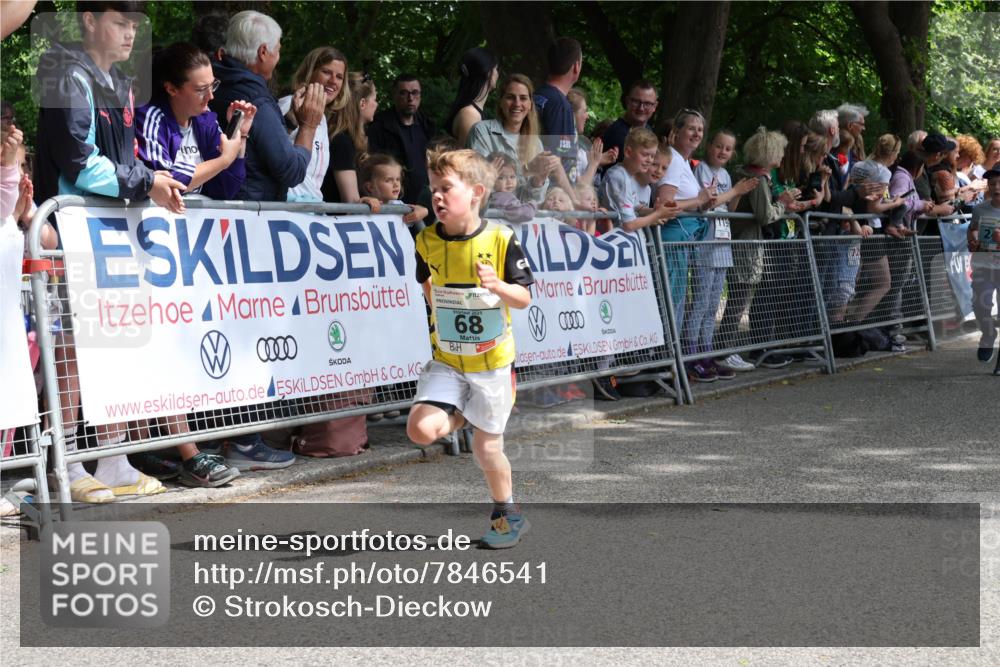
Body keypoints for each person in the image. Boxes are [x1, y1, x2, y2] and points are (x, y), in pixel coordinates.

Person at [31, 1, 195, 502]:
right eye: (120, 23)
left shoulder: (121, 82)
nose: (130, 34)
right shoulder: (64, 73)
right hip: (71, 229)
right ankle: (65, 461)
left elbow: (126, 159)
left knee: (117, 341)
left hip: (112, 229)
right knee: (70, 351)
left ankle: (114, 459)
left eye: (134, 26)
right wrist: (149, 182)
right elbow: (80, 163)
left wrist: (152, 179)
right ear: (89, 21)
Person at [406, 148, 535, 549]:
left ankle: (508, 512)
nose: (437, 198)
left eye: (447, 188)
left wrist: (497, 287)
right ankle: (462, 412)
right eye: (433, 190)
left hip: (492, 364)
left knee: (486, 447)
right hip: (447, 359)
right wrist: (438, 307)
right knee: (421, 430)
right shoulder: (426, 240)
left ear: (476, 192)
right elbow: (426, 283)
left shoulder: (500, 238)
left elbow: (524, 298)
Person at [209, 9, 326, 201]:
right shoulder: (256, 101)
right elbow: (291, 171)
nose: (278, 57)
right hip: (252, 213)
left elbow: (256, 142)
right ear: (263, 52)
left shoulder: (211, 85)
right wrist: (309, 125)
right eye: (278, 50)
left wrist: (288, 121)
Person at [716, 127, 804, 369]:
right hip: (746, 246)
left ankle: (725, 349)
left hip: (741, 242)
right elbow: (765, 215)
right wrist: (783, 204)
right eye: (780, 151)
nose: (783, 155)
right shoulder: (758, 180)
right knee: (737, 302)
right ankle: (725, 350)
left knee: (737, 301)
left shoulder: (744, 174)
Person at [136, 42, 256, 199]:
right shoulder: (150, 118)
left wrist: (240, 135)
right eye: (201, 90)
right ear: (172, 89)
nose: (211, 96)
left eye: (212, 85)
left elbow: (225, 189)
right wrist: (223, 160)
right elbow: (165, 185)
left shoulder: (205, 119)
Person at [687, 130, 759, 378]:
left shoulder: (726, 174)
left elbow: (728, 207)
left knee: (712, 306)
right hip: (706, 245)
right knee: (701, 302)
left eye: (728, 149)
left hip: (723, 245)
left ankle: (707, 353)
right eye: (719, 146)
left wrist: (738, 193)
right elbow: (709, 203)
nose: (722, 152)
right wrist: (734, 190)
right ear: (709, 146)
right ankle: (691, 352)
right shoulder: (701, 171)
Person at [653, 109, 720, 334]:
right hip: (672, 239)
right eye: (691, 128)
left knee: (678, 297)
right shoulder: (671, 160)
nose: (696, 133)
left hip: (683, 240)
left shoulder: (683, 162)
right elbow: (663, 204)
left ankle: (673, 359)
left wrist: (702, 204)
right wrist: (698, 199)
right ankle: (666, 358)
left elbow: (685, 201)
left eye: (700, 129)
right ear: (677, 131)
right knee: (671, 299)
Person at [467, 73, 569, 203]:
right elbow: (477, 183)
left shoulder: (535, 143)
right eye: (510, 97)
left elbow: (535, 202)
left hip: (521, 220)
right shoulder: (482, 132)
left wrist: (538, 180)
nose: (517, 103)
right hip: (488, 218)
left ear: (530, 105)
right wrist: (527, 170)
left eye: (523, 98)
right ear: (501, 102)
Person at [277, 46, 346, 202]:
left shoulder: (321, 116)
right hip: (287, 208)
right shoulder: (289, 104)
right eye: (326, 72)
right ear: (309, 72)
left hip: (310, 209)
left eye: (340, 76)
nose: (333, 81)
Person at [367, 74, 437, 205]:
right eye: (404, 93)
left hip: (425, 201)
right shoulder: (379, 126)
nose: (410, 98)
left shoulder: (427, 125)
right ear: (395, 95)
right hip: (393, 202)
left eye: (415, 93)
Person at [598, 127, 680, 233]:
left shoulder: (627, 176)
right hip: (613, 241)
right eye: (645, 155)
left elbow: (634, 208)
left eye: (652, 156)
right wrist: (657, 215)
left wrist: (656, 211)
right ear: (628, 152)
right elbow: (628, 225)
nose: (649, 160)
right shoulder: (619, 177)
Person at [320, 71, 381, 207]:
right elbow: (351, 202)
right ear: (362, 103)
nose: (376, 105)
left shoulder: (346, 139)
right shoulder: (342, 142)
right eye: (375, 99)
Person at [533, 37, 583, 182]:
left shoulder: (536, 95)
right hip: (555, 193)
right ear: (576, 66)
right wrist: (571, 197)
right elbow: (558, 160)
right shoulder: (560, 105)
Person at [966, 168, 1000, 365]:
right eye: (993, 183)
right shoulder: (980, 209)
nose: (996, 187)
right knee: (980, 306)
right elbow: (972, 232)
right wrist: (972, 240)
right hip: (983, 266)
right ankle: (988, 335)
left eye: (999, 182)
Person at [443, 47, 498, 147]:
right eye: (496, 69)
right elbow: (469, 160)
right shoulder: (470, 115)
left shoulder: (473, 112)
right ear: (488, 73)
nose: (497, 74)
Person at [566, 87, 617, 189]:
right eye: (584, 111)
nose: (587, 116)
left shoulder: (575, 143)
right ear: (572, 115)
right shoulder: (565, 145)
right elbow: (579, 187)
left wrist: (599, 158)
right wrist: (594, 164)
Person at [600, 80, 659, 168]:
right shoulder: (617, 134)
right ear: (627, 101)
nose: (641, 108)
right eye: (636, 102)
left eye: (647, 104)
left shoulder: (648, 130)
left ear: (655, 106)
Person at [358, 152, 428, 224]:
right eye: (388, 180)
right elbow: (354, 211)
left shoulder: (398, 205)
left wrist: (423, 211)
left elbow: (420, 210)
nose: (396, 184)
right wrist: (365, 201)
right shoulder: (365, 205)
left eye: (398, 179)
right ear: (370, 187)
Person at [485, 152, 537, 223]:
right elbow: (524, 214)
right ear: (491, 180)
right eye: (501, 178)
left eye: (512, 177)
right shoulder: (503, 197)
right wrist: (532, 204)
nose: (509, 181)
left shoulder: (490, 197)